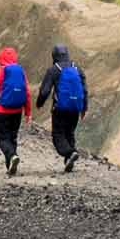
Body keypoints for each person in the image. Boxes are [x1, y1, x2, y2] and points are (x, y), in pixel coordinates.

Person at [35, 44, 89, 173]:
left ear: (54, 56)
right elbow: (85, 90)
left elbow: (45, 91)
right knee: (69, 133)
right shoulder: (77, 69)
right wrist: (84, 108)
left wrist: (39, 103)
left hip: (60, 109)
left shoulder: (54, 70)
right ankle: (69, 161)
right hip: (75, 108)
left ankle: (70, 154)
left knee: (58, 135)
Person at [0, 45, 32, 175]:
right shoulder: (21, 72)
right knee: (12, 137)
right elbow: (27, 93)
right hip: (17, 111)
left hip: (1, 111)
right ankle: (11, 165)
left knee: (2, 138)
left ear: (1, 58)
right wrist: (28, 112)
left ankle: (12, 156)